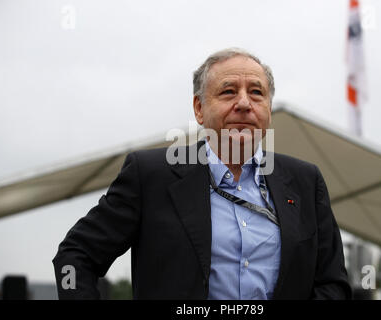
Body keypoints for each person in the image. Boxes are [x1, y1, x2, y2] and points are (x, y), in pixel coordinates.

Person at [53, 48, 351, 300]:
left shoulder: (305, 182)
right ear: (199, 108)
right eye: (229, 92)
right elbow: (76, 255)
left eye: (256, 93)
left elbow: (333, 284)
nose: (245, 103)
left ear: (268, 109)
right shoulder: (151, 176)